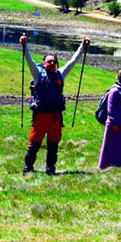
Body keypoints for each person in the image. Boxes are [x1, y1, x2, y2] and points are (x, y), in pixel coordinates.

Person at [20, 33, 90, 175]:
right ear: (44, 63)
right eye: (49, 61)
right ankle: (28, 167)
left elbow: (73, 61)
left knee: (53, 144)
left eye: (54, 62)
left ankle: (50, 169)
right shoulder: (37, 74)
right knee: (34, 143)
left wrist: (83, 46)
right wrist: (24, 45)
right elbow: (29, 60)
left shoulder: (61, 74)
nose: (52, 63)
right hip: (41, 116)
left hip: (55, 117)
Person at [98, 69, 121, 169]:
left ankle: (119, 164)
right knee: (110, 145)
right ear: (120, 78)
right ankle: (105, 165)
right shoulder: (114, 91)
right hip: (114, 123)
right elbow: (111, 108)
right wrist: (114, 123)